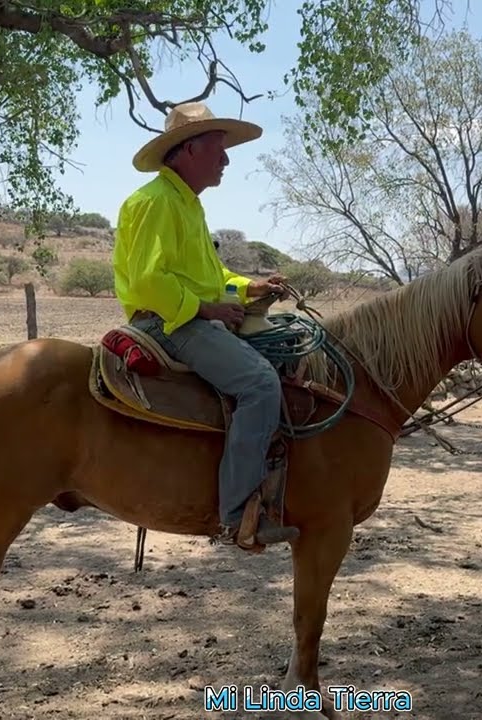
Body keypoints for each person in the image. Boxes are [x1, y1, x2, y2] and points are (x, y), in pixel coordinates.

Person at [112, 101, 299, 548]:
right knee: (259, 383)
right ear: (189, 149)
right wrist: (205, 310)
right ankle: (237, 513)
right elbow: (149, 280)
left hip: (186, 316)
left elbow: (213, 279)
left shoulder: (186, 205)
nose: (227, 159)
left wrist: (249, 288)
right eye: (219, 148)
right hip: (168, 324)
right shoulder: (156, 202)